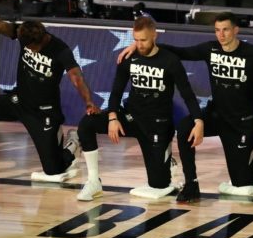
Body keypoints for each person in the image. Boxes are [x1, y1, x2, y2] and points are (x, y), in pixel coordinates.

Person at [119, 12, 253, 202]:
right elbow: (181, 52)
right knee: (186, 127)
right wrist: (140, 47)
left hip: (243, 122)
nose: (221, 35)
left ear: (236, 30)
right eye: (217, 30)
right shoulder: (210, 49)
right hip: (216, 116)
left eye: (225, 29)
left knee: (244, 184)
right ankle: (191, 183)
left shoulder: (252, 53)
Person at [0, 0, 99, 184]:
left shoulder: (60, 50)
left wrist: (88, 102)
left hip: (43, 112)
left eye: (31, 48)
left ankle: (73, 143)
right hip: (19, 100)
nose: (28, 50)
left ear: (40, 41)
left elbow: (76, 78)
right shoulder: (24, 33)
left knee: (54, 171)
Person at [76, 16, 203, 201]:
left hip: (158, 124)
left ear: (154, 36)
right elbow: (116, 91)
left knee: (159, 186)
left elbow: (188, 94)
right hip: (131, 117)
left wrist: (199, 120)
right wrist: (112, 117)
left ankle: (167, 163)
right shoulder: (129, 58)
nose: (139, 45)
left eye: (143, 40)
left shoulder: (170, 61)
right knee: (87, 124)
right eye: (136, 40)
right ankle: (93, 181)